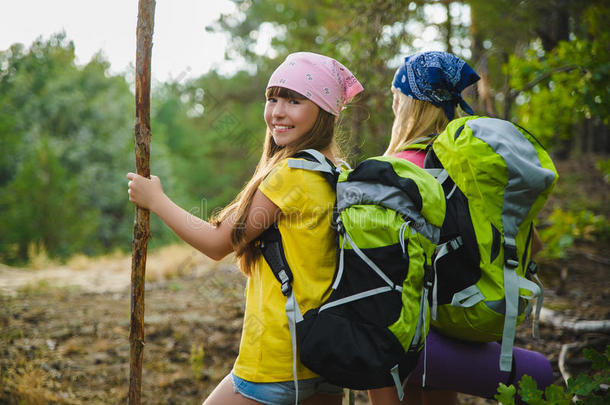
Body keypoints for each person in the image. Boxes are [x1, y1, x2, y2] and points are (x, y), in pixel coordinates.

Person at [127, 51, 363, 405]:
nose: (278, 111)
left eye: (294, 100)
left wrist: (156, 200)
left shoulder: (291, 176)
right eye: (273, 98)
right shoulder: (339, 173)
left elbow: (217, 243)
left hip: (278, 359)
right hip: (327, 357)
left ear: (324, 111)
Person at [368, 51, 553, 405]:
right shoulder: (472, 162)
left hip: (419, 325)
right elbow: (535, 244)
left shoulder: (399, 168)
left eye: (396, 98)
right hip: (473, 310)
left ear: (407, 104)